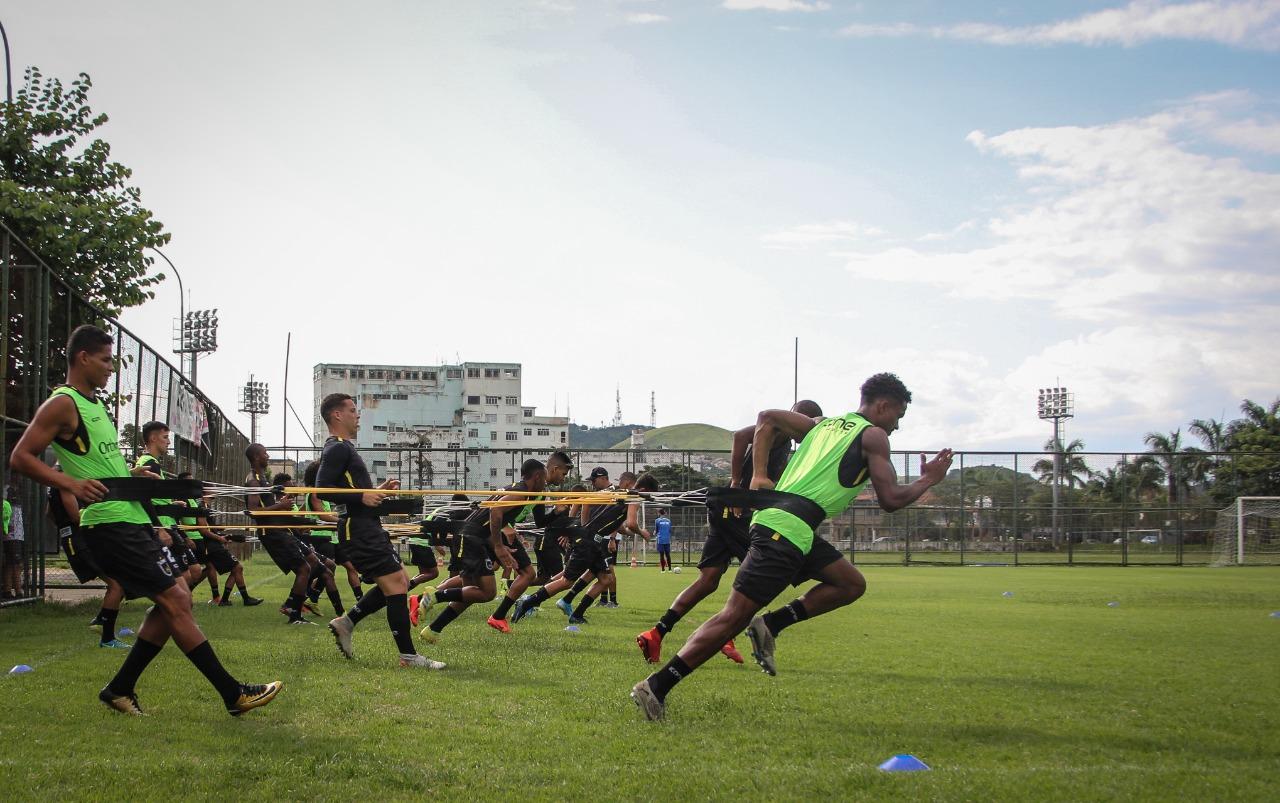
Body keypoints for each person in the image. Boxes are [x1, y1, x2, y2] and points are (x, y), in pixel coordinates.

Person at [631, 373, 953, 720]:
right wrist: (927, 480)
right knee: (733, 617)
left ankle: (771, 624)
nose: (897, 426)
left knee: (850, 583)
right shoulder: (873, 436)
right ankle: (657, 686)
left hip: (787, 524)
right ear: (883, 405)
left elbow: (767, 418)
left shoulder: (822, 426)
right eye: (898, 416)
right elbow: (890, 499)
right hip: (786, 531)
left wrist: (756, 474)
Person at [8, 324, 281, 715]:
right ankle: (232, 693)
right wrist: (72, 483)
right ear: (82, 357)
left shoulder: (95, 405)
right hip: (109, 524)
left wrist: (131, 478)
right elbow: (21, 457)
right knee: (175, 599)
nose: (110, 368)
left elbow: (100, 463)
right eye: (105, 360)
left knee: (177, 596)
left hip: (130, 518)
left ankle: (120, 688)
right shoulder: (62, 403)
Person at [636, 400, 823, 666]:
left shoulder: (783, 441)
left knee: (709, 580)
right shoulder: (780, 431)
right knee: (760, 580)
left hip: (725, 510)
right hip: (736, 512)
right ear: (800, 419)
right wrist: (736, 483)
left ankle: (656, 633)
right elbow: (740, 436)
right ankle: (726, 634)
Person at [318, 393, 445, 670]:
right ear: (337, 415)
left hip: (366, 525)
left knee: (398, 579)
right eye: (352, 410)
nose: (357, 414)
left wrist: (376, 492)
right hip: (358, 528)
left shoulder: (345, 448)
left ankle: (347, 622)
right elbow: (321, 488)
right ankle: (408, 656)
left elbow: (350, 490)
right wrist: (362, 496)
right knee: (397, 584)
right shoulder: (337, 448)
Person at [417, 458, 554, 639]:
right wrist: (498, 546)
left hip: (473, 536)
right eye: (544, 479)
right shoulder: (521, 493)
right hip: (472, 537)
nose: (545, 484)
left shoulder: (514, 487)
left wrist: (500, 545)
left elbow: (491, 518)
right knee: (487, 593)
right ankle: (435, 596)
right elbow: (495, 511)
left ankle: (432, 630)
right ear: (537, 476)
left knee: (469, 594)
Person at [512, 471, 655, 624]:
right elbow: (632, 523)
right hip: (589, 541)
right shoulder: (634, 497)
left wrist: (586, 528)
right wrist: (643, 533)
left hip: (593, 540)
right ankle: (527, 603)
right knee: (567, 581)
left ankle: (577, 614)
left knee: (606, 579)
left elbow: (591, 505)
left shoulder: (617, 492)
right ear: (646, 490)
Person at [47, 470, 130, 647]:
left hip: (76, 537)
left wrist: (64, 529)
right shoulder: (66, 480)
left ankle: (101, 620)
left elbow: (49, 513)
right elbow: (76, 516)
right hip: (79, 539)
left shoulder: (58, 478)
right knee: (117, 584)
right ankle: (107, 638)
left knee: (118, 581)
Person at [244, 446, 319, 623]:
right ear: (256, 457)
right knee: (304, 569)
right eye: (264, 453)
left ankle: (292, 608)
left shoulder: (262, 478)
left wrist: (302, 520)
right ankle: (294, 614)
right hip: (271, 533)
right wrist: (280, 506)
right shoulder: (253, 481)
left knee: (309, 564)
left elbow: (273, 510)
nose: (267, 456)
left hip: (279, 530)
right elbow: (253, 511)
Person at [135, 422, 204, 592]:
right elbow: (143, 498)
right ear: (152, 438)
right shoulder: (149, 463)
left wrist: (171, 504)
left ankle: (173, 607)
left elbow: (153, 498)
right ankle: (170, 609)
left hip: (168, 523)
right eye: (165, 438)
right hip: (162, 525)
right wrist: (159, 528)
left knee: (193, 571)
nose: (168, 442)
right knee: (184, 577)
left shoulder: (153, 463)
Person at [176, 471, 261, 607]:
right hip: (210, 545)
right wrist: (219, 539)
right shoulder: (201, 506)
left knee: (227, 568)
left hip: (212, 543)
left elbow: (209, 528)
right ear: (206, 491)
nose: (216, 489)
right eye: (213, 487)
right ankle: (237, 599)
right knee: (235, 568)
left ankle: (224, 599)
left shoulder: (206, 506)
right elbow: (204, 530)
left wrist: (223, 535)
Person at [653, 508, 673, 572]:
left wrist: (654, 533)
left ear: (659, 513)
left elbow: (656, 530)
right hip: (667, 539)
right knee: (668, 554)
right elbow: (670, 530)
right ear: (665, 513)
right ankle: (670, 569)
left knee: (661, 555)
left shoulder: (657, 521)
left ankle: (663, 570)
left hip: (660, 539)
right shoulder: (669, 521)